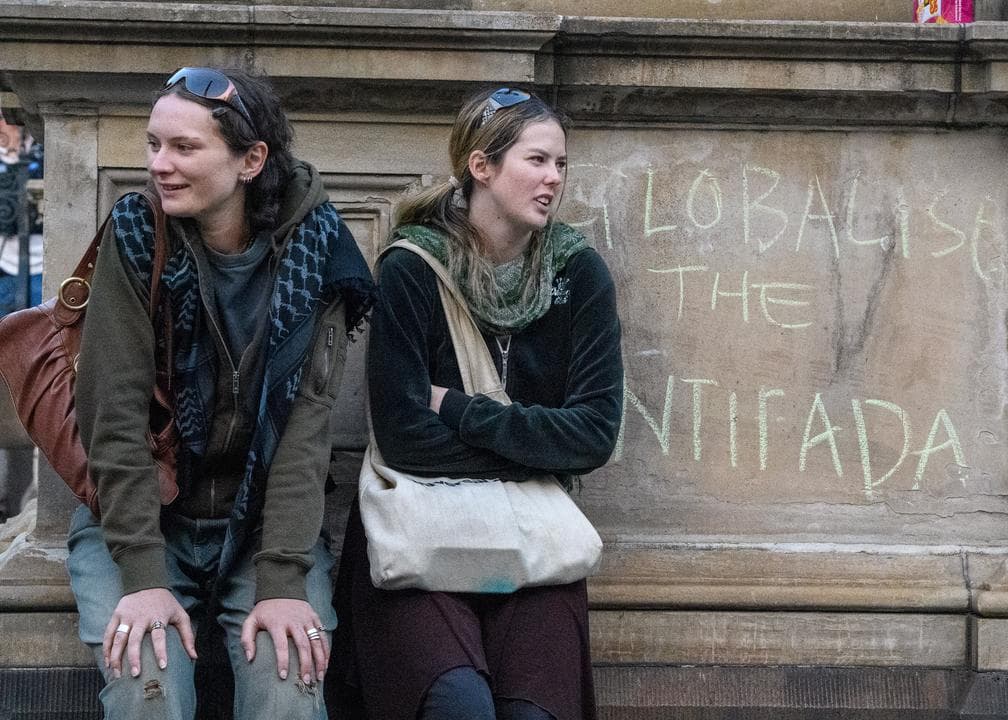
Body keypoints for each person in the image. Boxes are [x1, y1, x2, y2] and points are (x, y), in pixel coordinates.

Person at [68, 67, 374, 719]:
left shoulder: (317, 249)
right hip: (142, 518)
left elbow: (305, 432)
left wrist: (284, 580)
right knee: (146, 691)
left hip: (263, 523)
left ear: (250, 159)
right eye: (153, 145)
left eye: (184, 148)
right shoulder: (136, 232)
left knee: (287, 690)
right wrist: (145, 579)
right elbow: (112, 418)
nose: (160, 165)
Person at [330, 88, 623, 720]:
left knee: (532, 713)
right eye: (537, 160)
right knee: (456, 705)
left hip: (532, 541)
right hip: (418, 531)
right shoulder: (413, 268)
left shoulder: (579, 275)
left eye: (560, 164)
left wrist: (461, 411)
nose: (553, 179)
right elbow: (405, 437)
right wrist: (540, 445)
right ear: (481, 167)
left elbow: (595, 435)